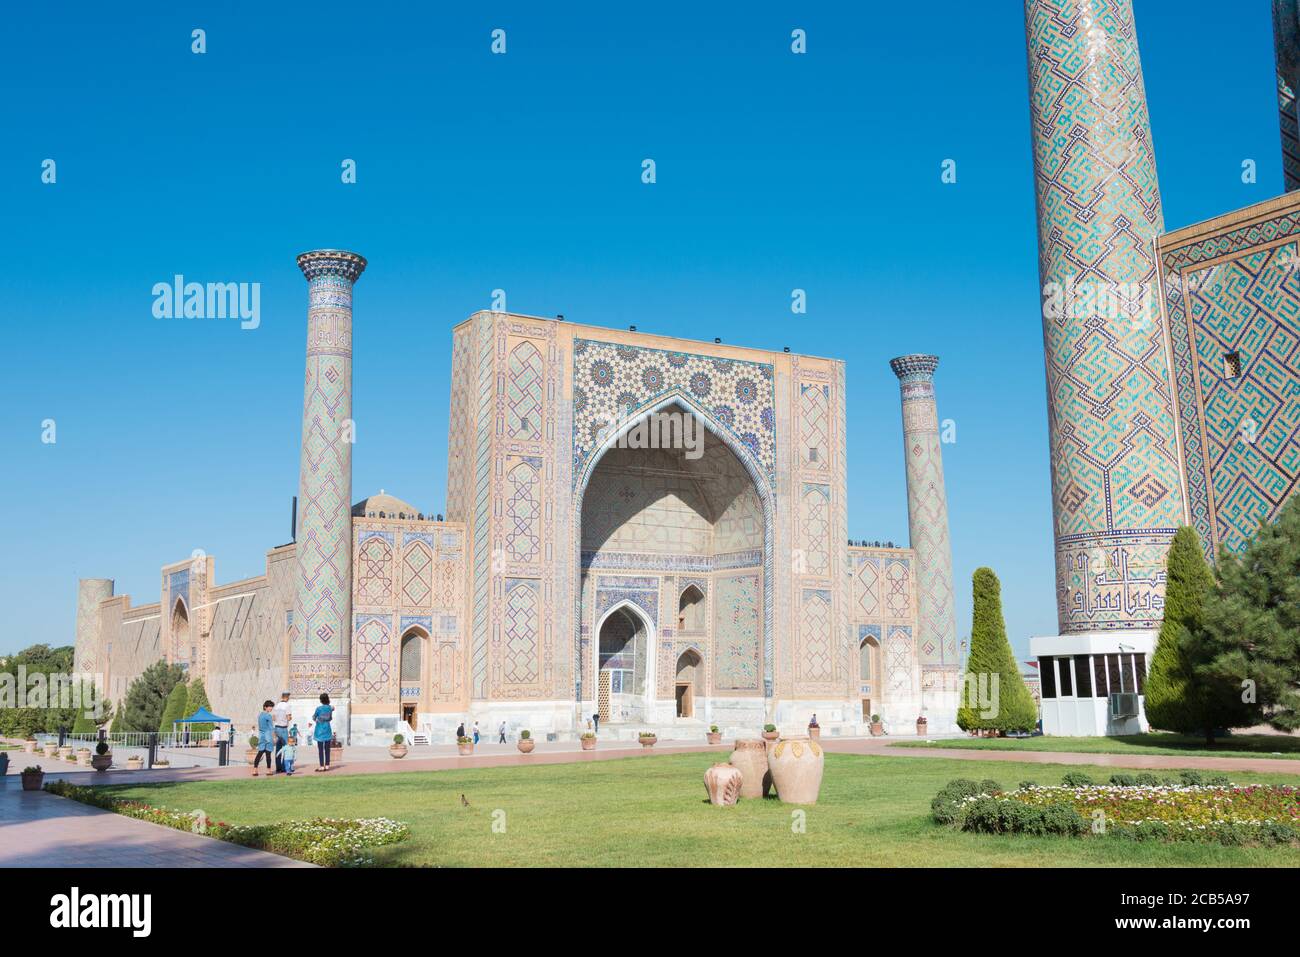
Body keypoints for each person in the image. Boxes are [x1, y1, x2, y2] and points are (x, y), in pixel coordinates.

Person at [312, 693, 335, 772]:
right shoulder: (329, 708)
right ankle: (327, 765)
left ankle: (322, 766)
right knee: (327, 749)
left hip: (319, 730)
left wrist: (317, 719)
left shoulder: (319, 708)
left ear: (321, 700)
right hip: (327, 729)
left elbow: (314, 717)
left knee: (321, 749)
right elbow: (330, 718)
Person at [253, 700, 276, 776]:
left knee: (260, 753)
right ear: (265, 707)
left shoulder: (260, 715)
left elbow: (261, 726)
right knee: (268, 754)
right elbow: (271, 728)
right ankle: (268, 770)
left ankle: (255, 770)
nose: (271, 708)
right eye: (270, 707)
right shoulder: (268, 716)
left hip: (261, 736)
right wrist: (274, 737)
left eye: (272, 707)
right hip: (268, 736)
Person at [272, 692, 291, 773]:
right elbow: (289, 717)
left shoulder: (276, 705)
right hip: (283, 729)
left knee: (278, 749)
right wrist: (288, 718)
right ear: (287, 697)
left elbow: (273, 718)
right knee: (287, 749)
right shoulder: (287, 706)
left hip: (277, 728)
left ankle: (278, 768)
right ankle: (284, 767)